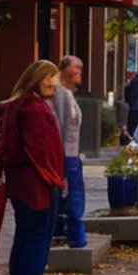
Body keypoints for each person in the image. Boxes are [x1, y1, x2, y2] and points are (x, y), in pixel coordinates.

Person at [0, 60, 66, 275]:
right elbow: (39, 151)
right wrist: (55, 179)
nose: (54, 84)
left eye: (55, 78)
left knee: (24, 236)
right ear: (36, 78)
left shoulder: (15, 105)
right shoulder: (34, 108)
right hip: (37, 184)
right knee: (37, 237)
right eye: (50, 77)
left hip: (22, 182)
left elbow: (3, 146)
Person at [52, 55, 88, 250]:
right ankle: (73, 234)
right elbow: (60, 125)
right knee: (70, 195)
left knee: (73, 194)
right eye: (76, 68)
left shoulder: (67, 94)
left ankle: (69, 233)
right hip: (66, 155)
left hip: (71, 154)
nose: (79, 72)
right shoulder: (61, 94)